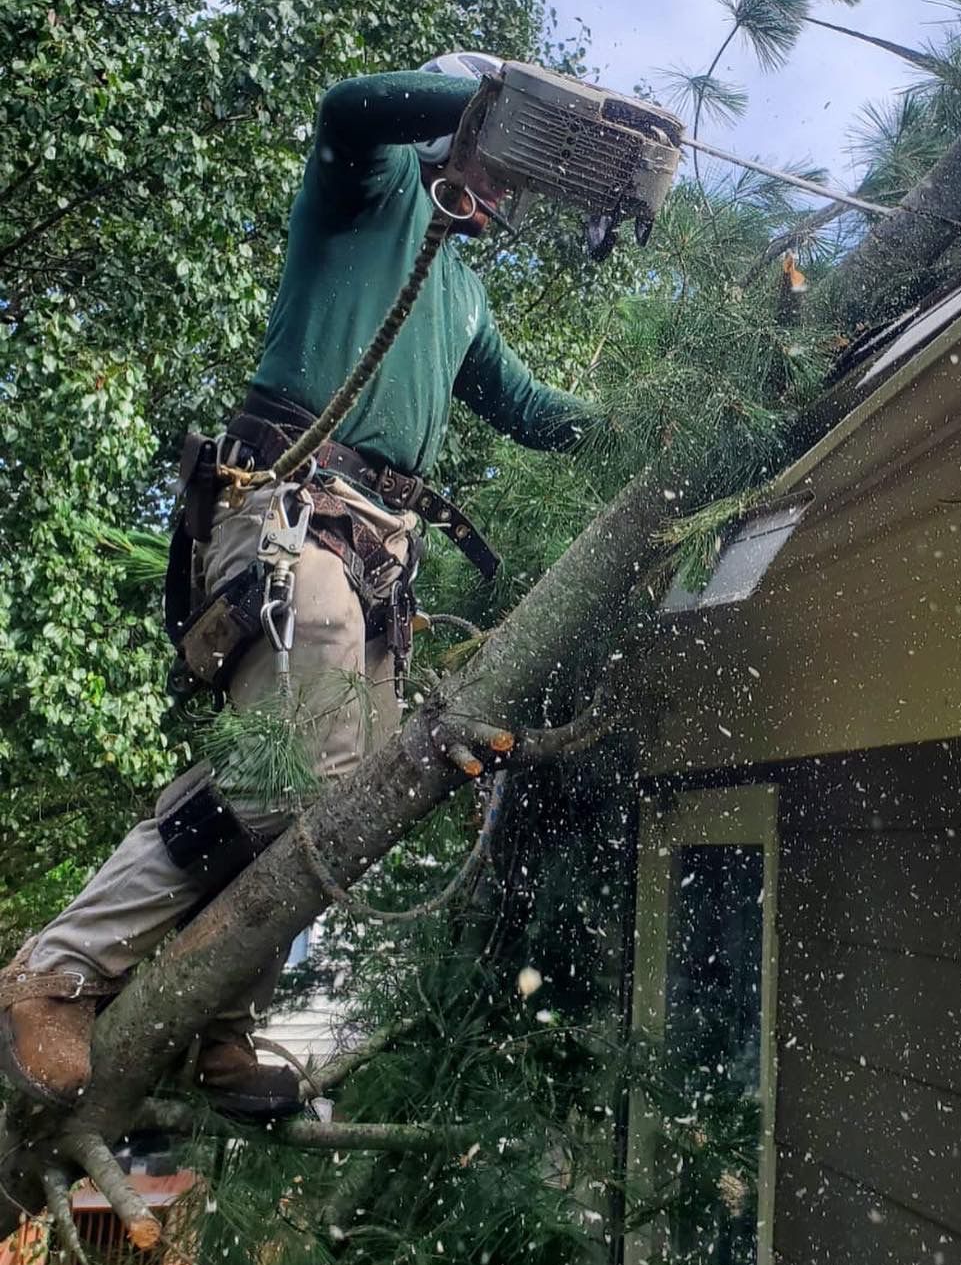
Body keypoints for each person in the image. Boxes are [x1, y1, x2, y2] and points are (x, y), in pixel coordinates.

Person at [0, 56, 593, 1118]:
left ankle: (216, 1026)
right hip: (284, 501)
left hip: (375, 552)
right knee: (295, 760)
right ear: (449, 133)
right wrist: (493, 97)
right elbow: (348, 110)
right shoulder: (369, 188)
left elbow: (530, 405)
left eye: (520, 173)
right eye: (497, 158)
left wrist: (650, 424)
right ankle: (59, 969)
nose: (506, 187)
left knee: (346, 803)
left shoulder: (460, 287)